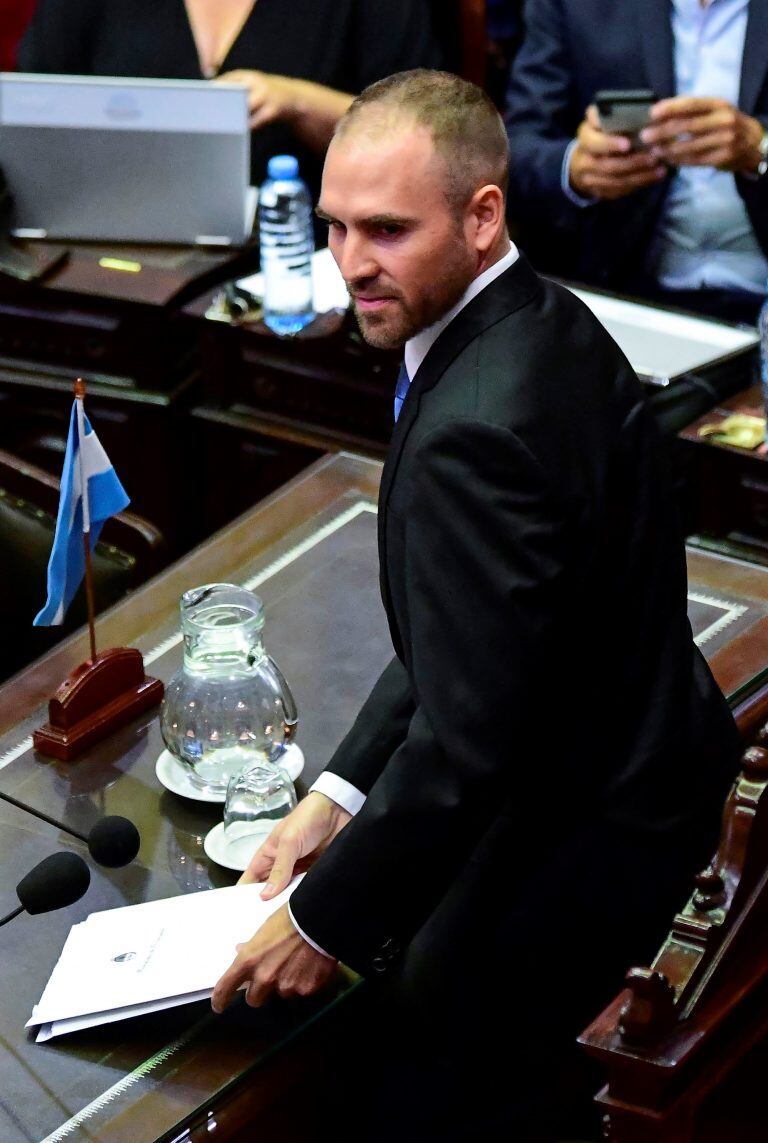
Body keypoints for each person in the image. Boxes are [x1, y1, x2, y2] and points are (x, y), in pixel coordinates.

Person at [211, 70, 741, 1141]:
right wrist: (340, 792)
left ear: (482, 211)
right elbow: (486, 632)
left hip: (590, 842)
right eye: (337, 227)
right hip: (651, 766)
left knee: (379, 1068)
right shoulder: (547, 318)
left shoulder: (475, 432)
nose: (353, 263)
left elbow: (465, 743)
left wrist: (320, 921)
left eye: (388, 231)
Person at [505, 0, 768, 325]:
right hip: (625, 291)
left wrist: (761, 149)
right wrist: (576, 168)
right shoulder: (575, 6)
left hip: (760, 294)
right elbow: (518, 149)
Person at [17, 0, 441, 198]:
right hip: (108, 243)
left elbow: (426, 144)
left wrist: (297, 102)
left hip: (301, 265)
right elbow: (26, 112)